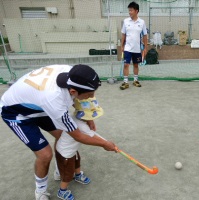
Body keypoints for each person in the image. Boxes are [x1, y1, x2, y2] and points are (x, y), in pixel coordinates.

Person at [0, 64, 116, 200]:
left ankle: (60, 171)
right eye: (89, 94)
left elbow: (78, 100)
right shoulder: (54, 99)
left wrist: (87, 115)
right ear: (73, 91)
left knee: (62, 136)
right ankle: (40, 192)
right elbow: (78, 136)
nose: (92, 96)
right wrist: (104, 144)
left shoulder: (73, 73)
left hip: (40, 105)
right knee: (45, 155)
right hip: (16, 113)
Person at [55, 96, 106, 200]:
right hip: (65, 154)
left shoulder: (76, 118)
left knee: (77, 162)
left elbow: (92, 133)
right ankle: (62, 191)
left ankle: (78, 175)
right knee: (67, 174)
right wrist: (107, 144)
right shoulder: (80, 125)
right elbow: (94, 137)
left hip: (72, 150)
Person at [120, 1, 148, 90]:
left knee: (136, 65)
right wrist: (121, 46)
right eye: (129, 10)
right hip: (127, 48)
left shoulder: (142, 22)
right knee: (126, 65)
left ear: (136, 11)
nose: (129, 12)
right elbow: (123, 34)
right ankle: (125, 82)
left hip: (137, 49)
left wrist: (145, 48)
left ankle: (135, 80)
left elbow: (145, 35)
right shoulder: (125, 21)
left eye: (131, 10)